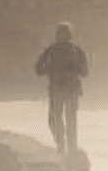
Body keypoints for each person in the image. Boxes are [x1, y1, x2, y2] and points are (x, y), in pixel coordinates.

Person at [32, 22, 89, 156]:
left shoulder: (50, 50)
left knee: (55, 120)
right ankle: (72, 149)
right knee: (71, 120)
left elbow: (38, 70)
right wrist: (73, 71)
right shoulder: (76, 50)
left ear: (56, 34)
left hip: (56, 91)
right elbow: (85, 73)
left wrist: (51, 70)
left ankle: (60, 147)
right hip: (72, 90)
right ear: (70, 34)